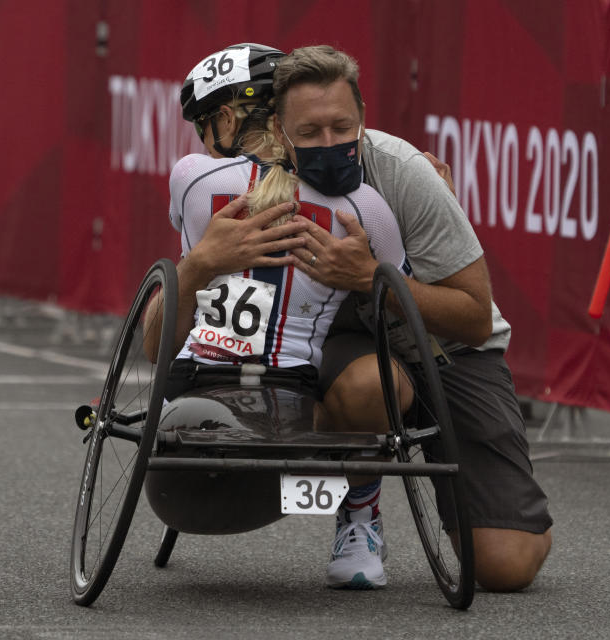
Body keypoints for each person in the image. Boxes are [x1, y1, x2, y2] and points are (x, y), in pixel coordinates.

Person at [173, 44, 553, 591]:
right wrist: (199, 266)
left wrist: (370, 276)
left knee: (504, 566)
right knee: (367, 384)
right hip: (349, 344)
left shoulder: (400, 174)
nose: (328, 144)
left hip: (449, 346)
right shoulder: (221, 186)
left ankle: (507, 509)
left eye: (340, 127)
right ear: (281, 130)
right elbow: (166, 338)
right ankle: (359, 507)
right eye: (308, 132)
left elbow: (472, 317)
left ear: (362, 120)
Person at [152, 43, 414, 589]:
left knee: (172, 293)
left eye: (205, 124)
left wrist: (207, 259)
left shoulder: (195, 179)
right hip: (297, 398)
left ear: (225, 119)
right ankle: (360, 515)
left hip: (192, 385)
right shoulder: (365, 208)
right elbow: (401, 293)